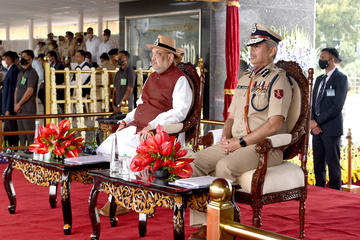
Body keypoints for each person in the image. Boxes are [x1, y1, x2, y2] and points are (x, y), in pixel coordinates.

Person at [188, 23, 292, 239]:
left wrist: (241, 142)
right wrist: (225, 138)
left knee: (224, 165)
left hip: (264, 148)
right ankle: (206, 224)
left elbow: (274, 124)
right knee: (193, 161)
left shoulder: (278, 79)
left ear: (272, 50)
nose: (251, 50)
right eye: (250, 46)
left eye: (257, 46)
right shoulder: (245, 78)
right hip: (236, 143)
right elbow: (232, 116)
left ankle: (226, 227)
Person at [96, 35, 192, 216]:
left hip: (157, 133)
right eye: (152, 54)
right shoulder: (151, 77)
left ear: (170, 57)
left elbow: (180, 112)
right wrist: (125, 120)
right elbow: (140, 105)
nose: (153, 58)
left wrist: (153, 125)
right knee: (107, 148)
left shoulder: (180, 80)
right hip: (136, 126)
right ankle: (116, 194)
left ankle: (120, 200)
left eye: (157, 54)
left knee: (127, 154)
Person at [311, 47, 348, 190]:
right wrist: (312, 122)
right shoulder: (319, 79)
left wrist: (317, 122)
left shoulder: (341, 78)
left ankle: (335, 195)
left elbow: (336, 106)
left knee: (333, 165)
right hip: (316, 130)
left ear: (332, 60)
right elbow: (313, 103)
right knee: (318, 164)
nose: (320, 60)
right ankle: (319, 193)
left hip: (331, 129)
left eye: (323, 58)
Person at [14, 50, 38, 146]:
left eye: (24, 57)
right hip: (19, 109)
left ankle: (31, 154)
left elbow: (30, 91)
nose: (22, 59)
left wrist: (19, 104)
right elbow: (16, 89)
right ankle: (21, 152)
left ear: (30, 59)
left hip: (27, 108)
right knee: (21, 134)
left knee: (29, 134)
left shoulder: (32, 73)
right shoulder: (21, 73)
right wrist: (15, 104)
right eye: (21, 57)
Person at [2, 51, 20, 146]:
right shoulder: (10, 70)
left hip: (10, 108)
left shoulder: (14, 71)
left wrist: (8, 109)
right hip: (6, 107)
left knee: (11, 129)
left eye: (4, 59)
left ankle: (14, 149)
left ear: (9, 60)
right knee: (7, 130)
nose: (3, 61)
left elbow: (11, 92)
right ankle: (8, 148)